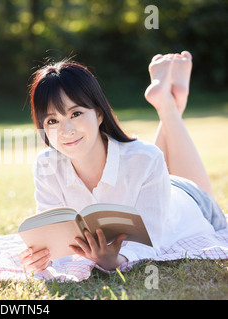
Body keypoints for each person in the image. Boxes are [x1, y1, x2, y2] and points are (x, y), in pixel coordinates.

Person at [18, 51, 226, 273]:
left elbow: (151, 240)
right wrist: (43, 260)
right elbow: (53, 239)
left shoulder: (145, 159)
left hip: (190, 201)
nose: (66, 130)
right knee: (144, 157)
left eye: (76, 114)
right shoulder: (46, 165)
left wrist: (116, 260)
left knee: (145, 157)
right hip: (149, 176)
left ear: (99, 114)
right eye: (52, 120)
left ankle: (168, 105)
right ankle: (169, 101)